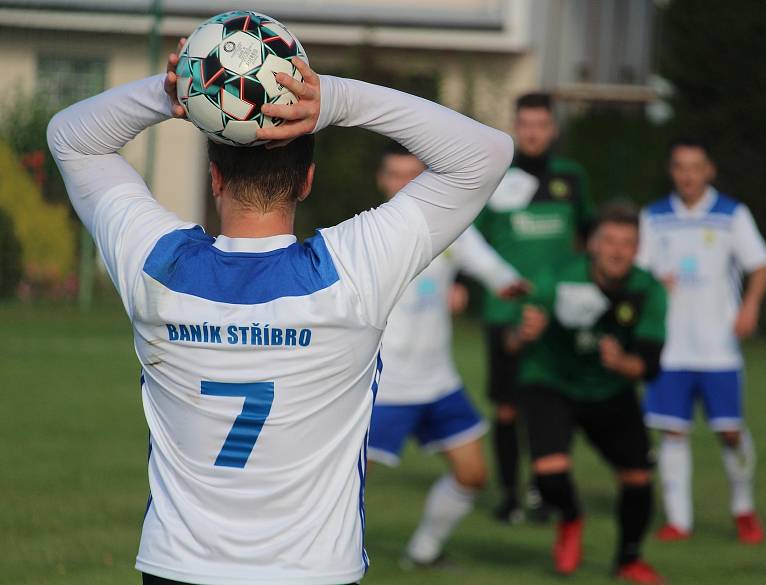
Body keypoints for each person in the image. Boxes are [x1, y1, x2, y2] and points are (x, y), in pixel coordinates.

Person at [46, 38, 513, 585]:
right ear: (307, 181)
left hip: (176, 567)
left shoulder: (156, 265)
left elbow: (71, 138)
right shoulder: (352, 272)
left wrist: (176, 92)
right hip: (310, 573)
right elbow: (487, 152)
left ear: (214, 178)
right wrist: (330, 99)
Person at [368, 144, 527, 566]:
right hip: (386, 385)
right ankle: (306, 558)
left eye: (412, 175)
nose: (404, 185)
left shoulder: (453, 227)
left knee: (473, 475)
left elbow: (493, 271)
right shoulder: (368, 235)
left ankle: (423, 553)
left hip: (438, 380)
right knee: (342, 483)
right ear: (382, 181)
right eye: (395, 175)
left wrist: (518, 290)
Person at [507, 203, 666, 584]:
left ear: (638, 247)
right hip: (551, 381)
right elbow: (513, 343)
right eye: (609, 240)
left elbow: (649, 365)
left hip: (609, 390)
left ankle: (629, 560)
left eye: (627, 243)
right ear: (593, 244)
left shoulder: (648, 290)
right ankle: (571, 517)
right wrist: (524, 333)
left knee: (638, 479)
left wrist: (621, 362)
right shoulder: (558, 276)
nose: (617, 250)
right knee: (549, 475)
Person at [638, 138, 766, 544]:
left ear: (709, 170)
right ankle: (679, 520)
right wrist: (651, 283)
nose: (688, 175)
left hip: (718, 348)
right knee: (672, 433)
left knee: (729, 432)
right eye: (680, 166)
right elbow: (639, 272)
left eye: (695, 167)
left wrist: (750, 306)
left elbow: (761, 264)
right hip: (670, 348)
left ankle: (743, 508)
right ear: (672, 170)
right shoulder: (655, 216)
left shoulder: (731, 214)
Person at [475, 92, 595, 523]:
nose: (532, 132)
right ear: (515, 125)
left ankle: (544, 491)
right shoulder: (496, 175)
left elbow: (589, 237)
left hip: (558, 315)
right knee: (507, 408)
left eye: (540, 124)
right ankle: (508, 496)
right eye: (524, 123)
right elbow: (473, 240)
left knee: (554, 405)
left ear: (553, 129)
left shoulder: (571, 178)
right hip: (506, 313)